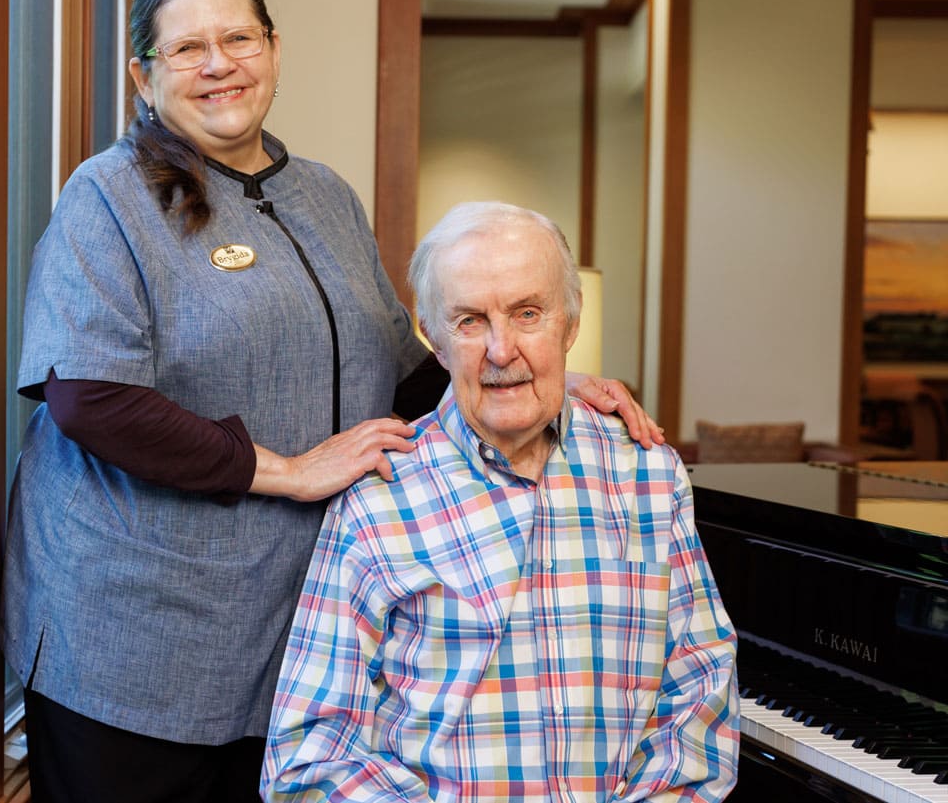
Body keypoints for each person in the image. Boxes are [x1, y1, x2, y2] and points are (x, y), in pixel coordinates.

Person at [0, 0, 662, 803]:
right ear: (143, 75)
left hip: (281, 639)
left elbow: (405, 375)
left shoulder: (325, 197)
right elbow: (90, 398)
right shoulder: (107, 196)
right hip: (132, 640)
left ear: (273, 50)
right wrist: (286, 468)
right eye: (188, 48)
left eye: (239, 38)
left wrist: (539, 381)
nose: (218, 64)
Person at [262, 202, 738, 802]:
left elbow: (699, 695)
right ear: (435, 340)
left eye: (528, 314)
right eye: (469, 321)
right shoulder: (378, 497)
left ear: (570, 324)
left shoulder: (647, 473)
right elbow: (310, 756)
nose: (501, 349)